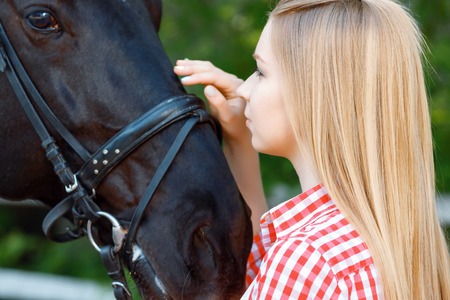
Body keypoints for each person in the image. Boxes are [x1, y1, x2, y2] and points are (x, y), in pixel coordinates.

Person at [174, 0, 450, 298]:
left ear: (313, 95)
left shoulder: (307, 259)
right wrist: (240, 139)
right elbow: (252, 272)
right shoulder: (401, 244)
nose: (243, 89)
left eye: (261, 72)